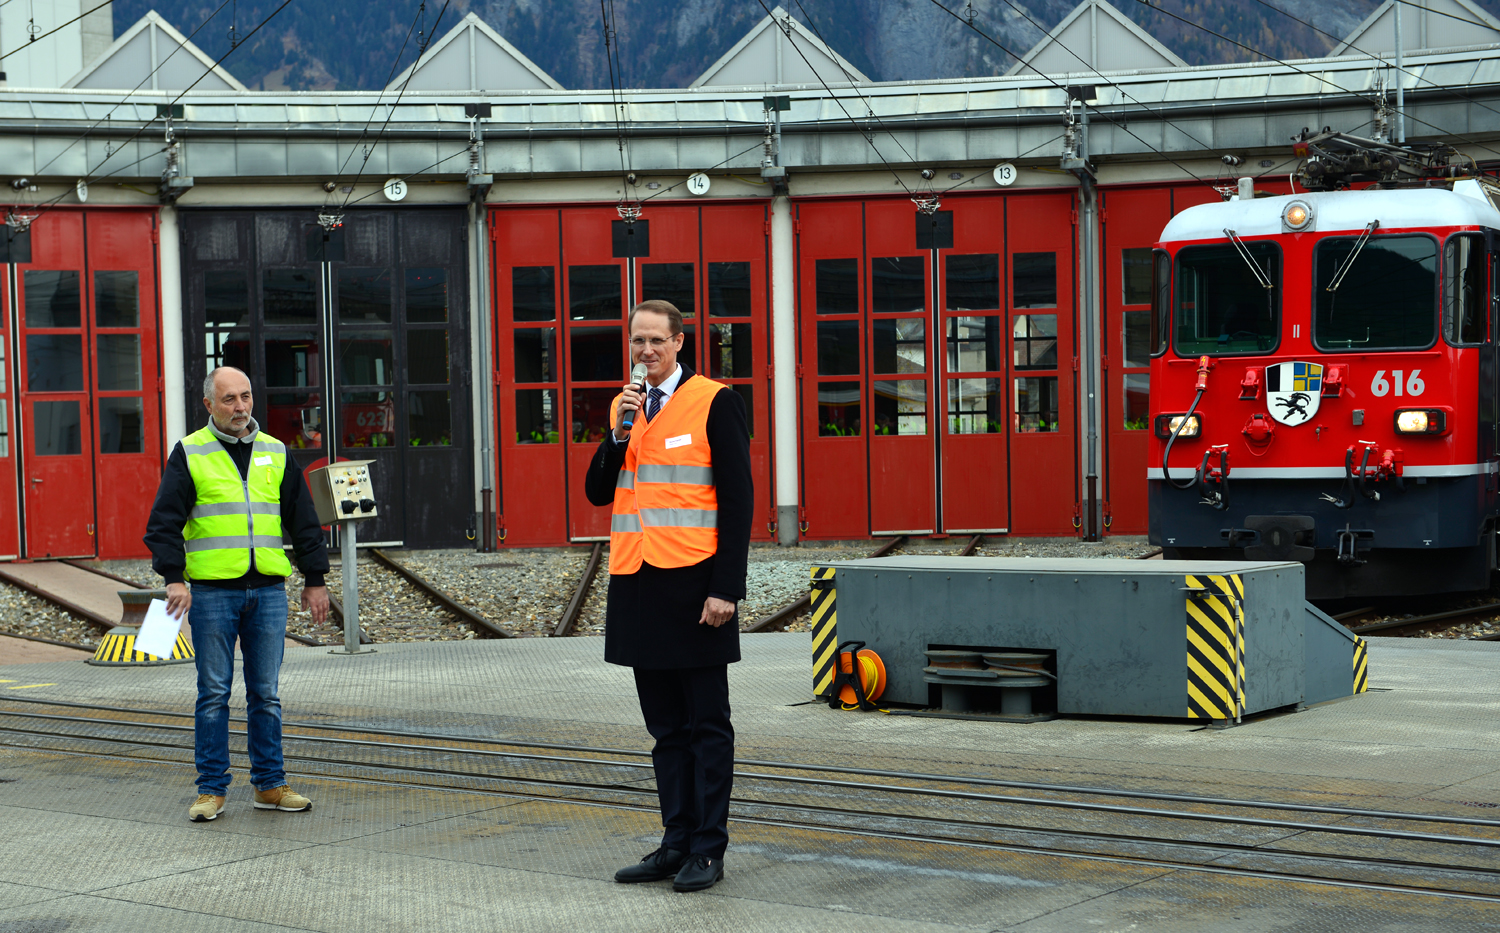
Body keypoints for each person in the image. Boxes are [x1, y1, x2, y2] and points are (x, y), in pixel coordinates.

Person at [584, 299, 752, 893]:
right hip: (637, 584)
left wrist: (726, 588)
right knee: (665, 731)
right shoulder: (623, 407)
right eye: (638, 342)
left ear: (680, 342)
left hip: (696, 587)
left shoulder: (715, 400)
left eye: (657, 341)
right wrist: (615, 432)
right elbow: (599, 491)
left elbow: (738, 503)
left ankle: (709, 848)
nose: (647, 352)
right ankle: (674, 842)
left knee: (708, 725)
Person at [144, 366, 331, 823]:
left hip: (266, 591)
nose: (240, 407)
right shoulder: (189, 453)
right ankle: (211, 790)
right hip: (212, 595)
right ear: (209, 405)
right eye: (229, 399)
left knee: (265, 694)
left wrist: (315, 579)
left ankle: (270, 785)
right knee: (213, 693)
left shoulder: (277, 451)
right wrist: (174, 578)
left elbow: (303, 520)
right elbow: (163, 523)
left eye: (246, 397)